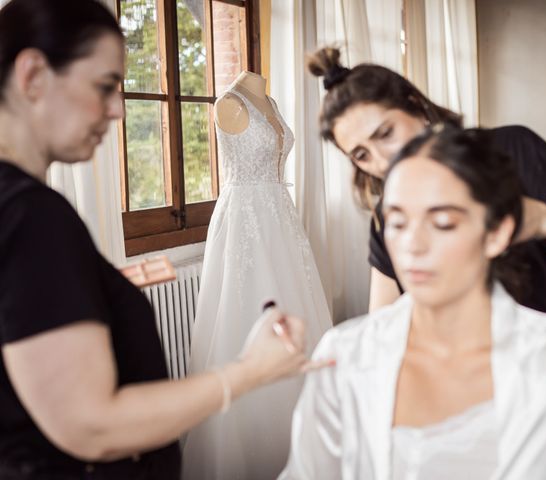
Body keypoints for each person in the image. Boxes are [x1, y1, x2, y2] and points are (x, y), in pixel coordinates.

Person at [0, 1, 325, 478]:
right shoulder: (32, 215)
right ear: (32, 75)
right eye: (104, 86)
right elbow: (92, 426)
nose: (117, 109)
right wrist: (250, 371)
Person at [280, 125, 546, 480]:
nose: (413, 246)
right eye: (398, 223)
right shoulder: (343, 356)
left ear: (497, 232)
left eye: (443, 223)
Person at [306, 46, 546, 419]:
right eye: (361, 155)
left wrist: (539, 220)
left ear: (416, 106)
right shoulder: (390, 218)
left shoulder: (516, 149)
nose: (383, 161)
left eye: (385, 133)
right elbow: (382, 326)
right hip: (496, 409)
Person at [182, 70, 332, 480]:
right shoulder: (229, 103)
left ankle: (308, 440)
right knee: (245, 311)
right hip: (245, 220)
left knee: (298, 310)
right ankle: (248, 446)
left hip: (281, 221)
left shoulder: (272, 102)